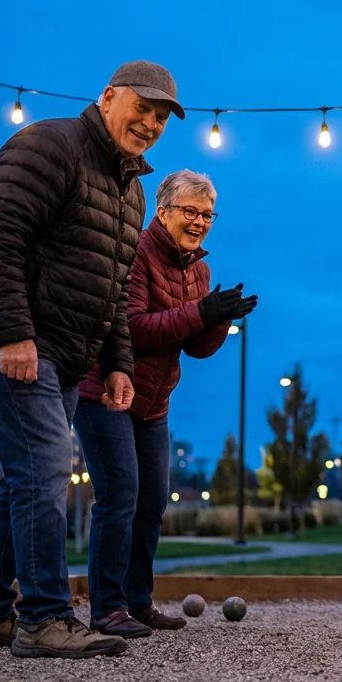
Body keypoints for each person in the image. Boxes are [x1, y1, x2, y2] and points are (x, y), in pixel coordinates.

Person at [0, 61, 184, 659]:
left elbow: (110, 291)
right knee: (46, 465)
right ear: (108, 97)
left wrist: (120, 363)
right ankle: (45, 618)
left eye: (161, 116)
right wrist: (12, 333)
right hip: (16, 340)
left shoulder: (130, 191)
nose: (150, 122)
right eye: (143, 107)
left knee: (29, 472)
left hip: (68, 352)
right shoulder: (49, 144)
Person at [74, 170, 257, 638]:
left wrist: (217, 319)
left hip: (155, 403)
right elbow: (132, 327)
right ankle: (107, 609)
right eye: (190, 212)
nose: (199, 221)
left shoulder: (199, 269)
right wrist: (202, 312)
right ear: (162, 211)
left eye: (207, 214)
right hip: (105, 393)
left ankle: (137, 602)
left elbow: (195, 347)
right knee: (120, 498)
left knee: (151, 503)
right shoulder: (136, 251)